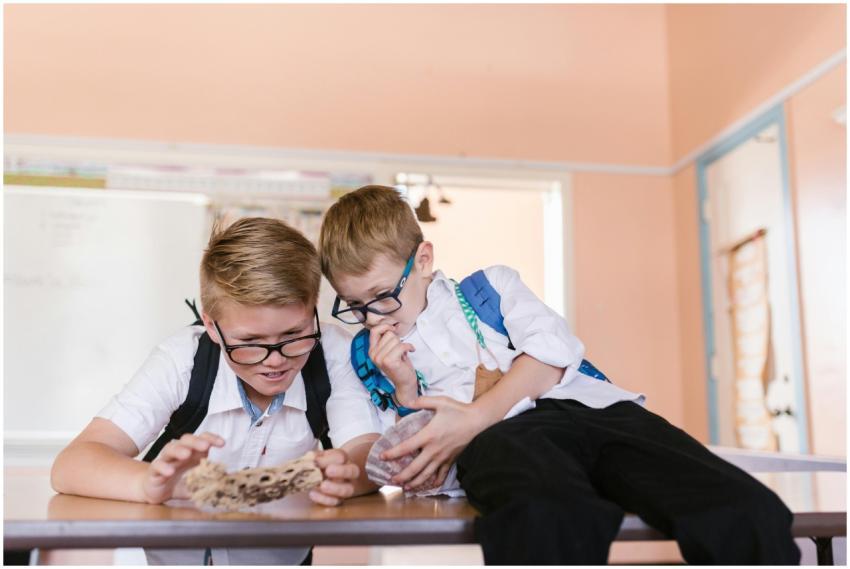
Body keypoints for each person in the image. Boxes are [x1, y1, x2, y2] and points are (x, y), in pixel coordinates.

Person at [317, 185, 800, 565]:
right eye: (355, 306)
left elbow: (553, 353)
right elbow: (421, 472)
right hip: (508, 441)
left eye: (382, 295)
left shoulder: (492, 287)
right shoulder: (366, 360)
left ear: (422, 260)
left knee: (742, 507)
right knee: (547, 520)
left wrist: (474, 417)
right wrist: (406, 391)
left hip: (598, 411)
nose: (373, 317)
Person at [51, 217, 382, 565]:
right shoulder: (183, 359)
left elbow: (365, 448)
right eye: (249, 342)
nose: (275, 361)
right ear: (211, 325)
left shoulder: (334, 353)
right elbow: (72, 465)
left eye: (294, 336)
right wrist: (153, 483)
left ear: (313, 307)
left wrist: (349, 472)